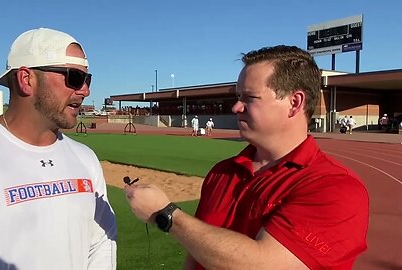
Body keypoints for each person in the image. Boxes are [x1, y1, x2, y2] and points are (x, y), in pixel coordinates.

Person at [124, 45, 368, 269]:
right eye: (238, 97)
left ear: (294, 103)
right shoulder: (223, 172)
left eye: (249, 98)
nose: (236, 107)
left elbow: (263, 265)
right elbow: (197, 255)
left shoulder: (336, 188)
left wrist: (168, 215)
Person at [0, 28, 117, 269]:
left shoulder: (86, 159)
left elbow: (100, 244)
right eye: (74, 77)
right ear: (26, 79)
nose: (85, 90)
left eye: (87, 80)